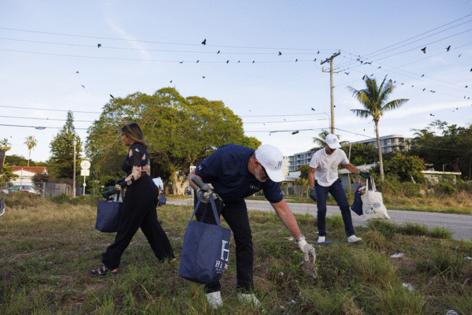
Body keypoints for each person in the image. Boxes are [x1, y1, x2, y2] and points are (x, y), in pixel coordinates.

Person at [189, 143, 316, 309]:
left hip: (234, 200)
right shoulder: (227, 156)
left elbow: (282, 208)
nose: (267, 177)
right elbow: (192, 177)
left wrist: (301, 240)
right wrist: (200, 190)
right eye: (266, 173)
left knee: (245, 239)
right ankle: (212, 289)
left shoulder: (267, 177)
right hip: (209, 195)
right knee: (210, 240)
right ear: (256, 162)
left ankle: (245, 291)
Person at [91, 123, 174, 275]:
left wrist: (120, 185)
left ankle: (110, 264)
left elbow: (136, 173)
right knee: (151, 225)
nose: (121, 138)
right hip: (148, 190)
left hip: (139, 191)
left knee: (126, 227)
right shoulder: (142, 149)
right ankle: (167, 257)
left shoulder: (134, 149)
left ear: (129, 135)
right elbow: (144, 172)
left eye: (122, 135)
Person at [308, 134, 369, 244]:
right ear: (326, 144)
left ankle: (351, 235)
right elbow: (311, 172)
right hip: (320, 183)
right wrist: (312, 188)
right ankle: (321, 235)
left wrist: (359, 172)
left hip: (334, 182)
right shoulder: (317, 155)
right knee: (321, 209)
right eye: (331, 147)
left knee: (345, 206)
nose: (333, 149)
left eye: (334, 147)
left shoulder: (340, 153)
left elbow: (347, 165)